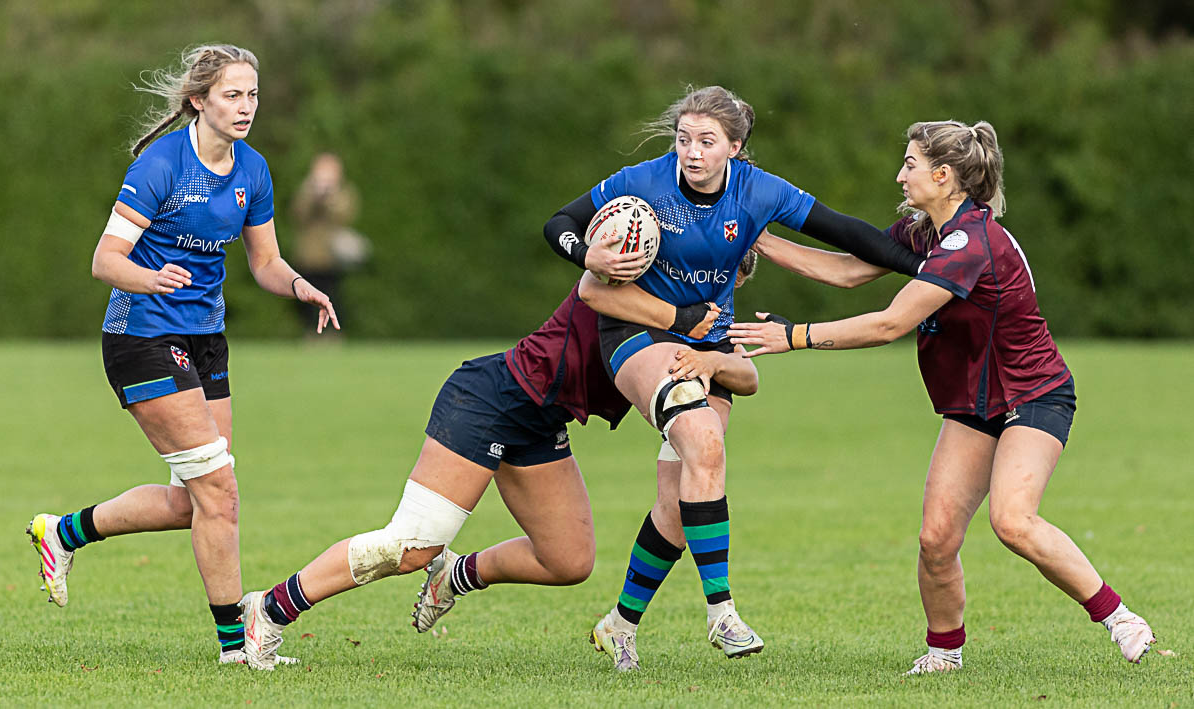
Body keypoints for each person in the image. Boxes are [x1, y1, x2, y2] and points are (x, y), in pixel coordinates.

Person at [726, 120, 1156, 673]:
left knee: (1012, 520)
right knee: (936, 539)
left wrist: (795, 336)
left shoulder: (969, 243)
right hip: (975, 403)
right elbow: (848, 272)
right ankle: (944, 653)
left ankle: (1120, 618)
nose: (899, 175)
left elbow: (889, 324)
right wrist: (754, 235)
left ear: (944, 176)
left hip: (1034, 393)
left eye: (910, 164)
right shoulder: (923, 231)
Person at [543, 85, 926, 671]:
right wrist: (585, 255)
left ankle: (619, 625)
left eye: (706, 141)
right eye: (683, 139)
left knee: (680, 502)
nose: (691, 152)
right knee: (703, 441)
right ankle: (721, 612)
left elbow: (846, 233)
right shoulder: (643, 182)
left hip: (711, 336)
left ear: (735, 147)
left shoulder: (759, 190)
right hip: (638, 330)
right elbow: (560, 223)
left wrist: (927, 266)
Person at [237, 259, 757, 670]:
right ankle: (271, 608)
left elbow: (746, 375)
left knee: (569, 561)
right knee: (410, 546)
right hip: (491, 399)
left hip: (540, 422)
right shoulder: (634, 277)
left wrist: (715, 359)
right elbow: (592, 274)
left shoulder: (707, 325)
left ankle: (456, 576)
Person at [25, 44, 338, 665]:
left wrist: (301, 286)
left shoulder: (253, 169)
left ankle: (61, 533)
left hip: (204, 338)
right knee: (220, 493)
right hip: (141, 335)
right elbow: (105, 260)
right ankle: (237, 649)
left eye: (252, 94)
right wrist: (151, 279)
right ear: (199, 100)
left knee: (191, 501)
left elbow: (266, 262)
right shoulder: (162, 164)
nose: (246, 106)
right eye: (232, 94)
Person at [290, 152, 371, 331]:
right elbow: (298, 214)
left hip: (331, 256)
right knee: (307, 298)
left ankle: (332, 332)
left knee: (332, 296)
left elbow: (345, 215)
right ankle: (311, 332)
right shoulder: (305, 190)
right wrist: (314, 195)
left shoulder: (344, 192)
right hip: (308, 255)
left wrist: (329, 198)